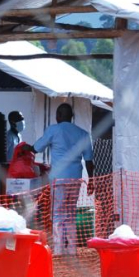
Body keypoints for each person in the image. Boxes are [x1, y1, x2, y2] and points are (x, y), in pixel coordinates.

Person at [33, 103, 95, 254]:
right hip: (75, 179)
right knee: (71, 213)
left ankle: (59, 250)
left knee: (58, 213)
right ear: (72, 117)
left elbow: (37, 148)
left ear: (58, 116)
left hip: (59, 179)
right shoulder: (83, 133)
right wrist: (91, 181)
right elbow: (89, 161)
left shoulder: (54, 130)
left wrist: (24, 149)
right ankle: (72, 249)